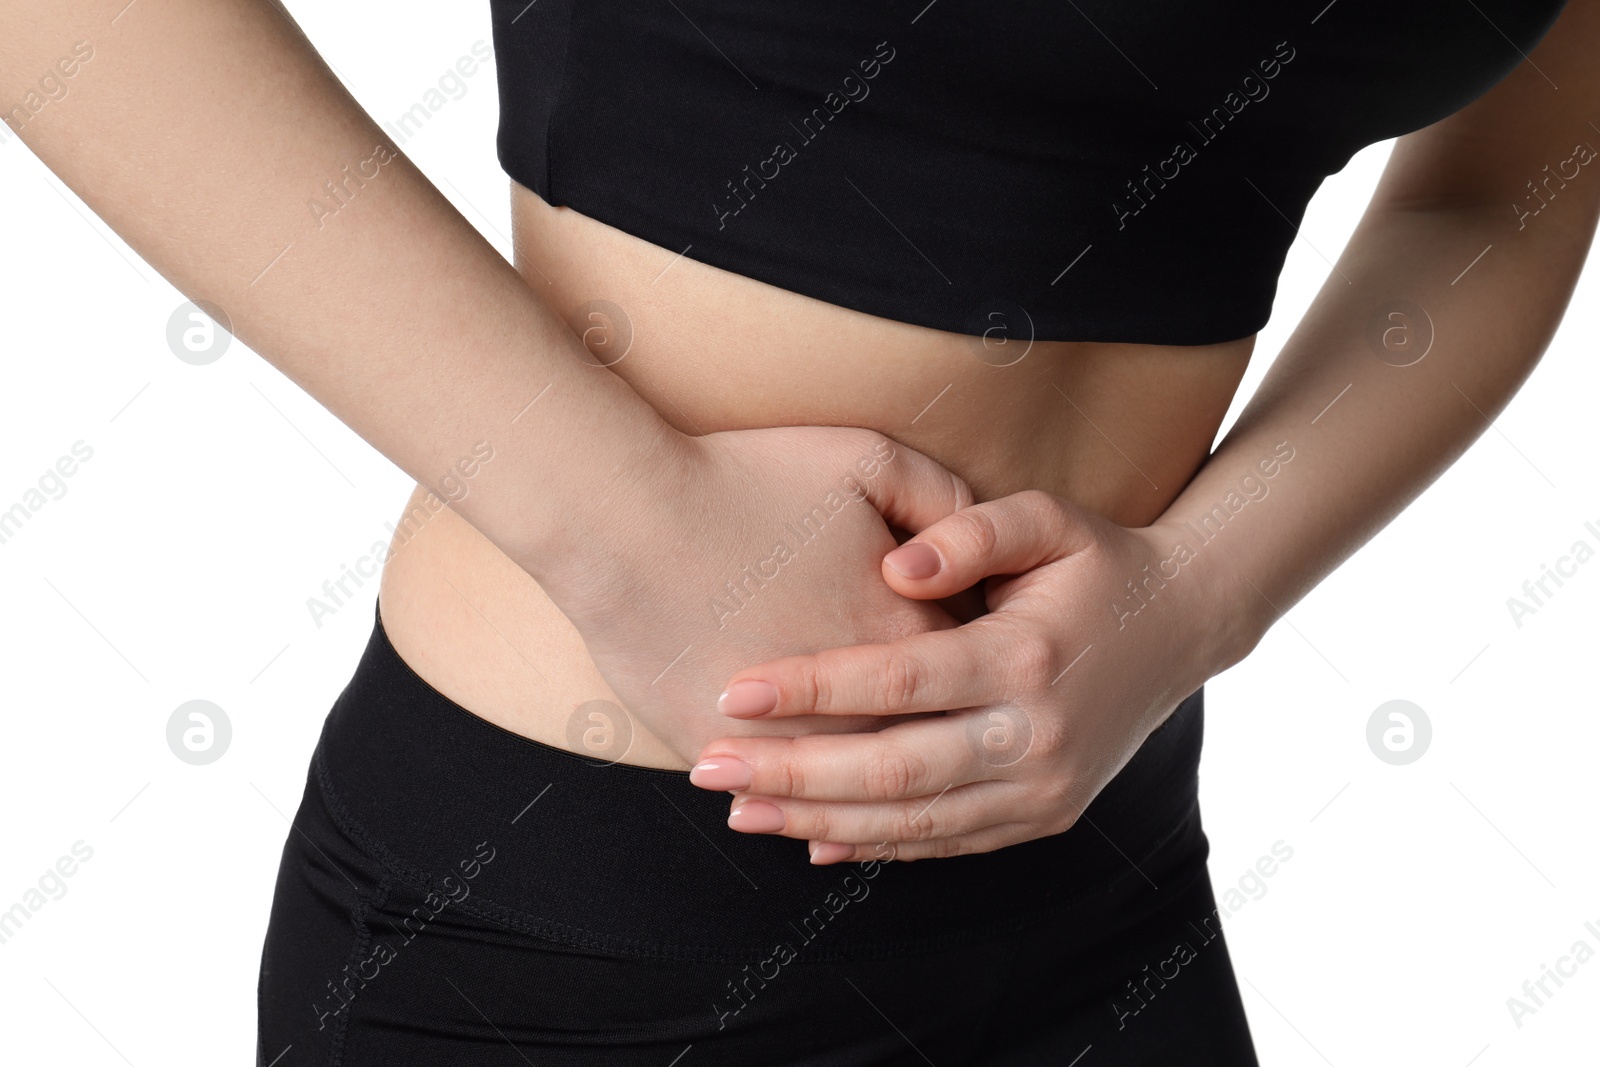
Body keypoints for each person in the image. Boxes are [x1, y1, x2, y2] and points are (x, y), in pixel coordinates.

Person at [5, 0, 1595, 1063]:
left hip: (1104, 880)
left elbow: (1518, 169)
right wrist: (629, 525)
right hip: (586, 928)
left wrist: (1195, 596)